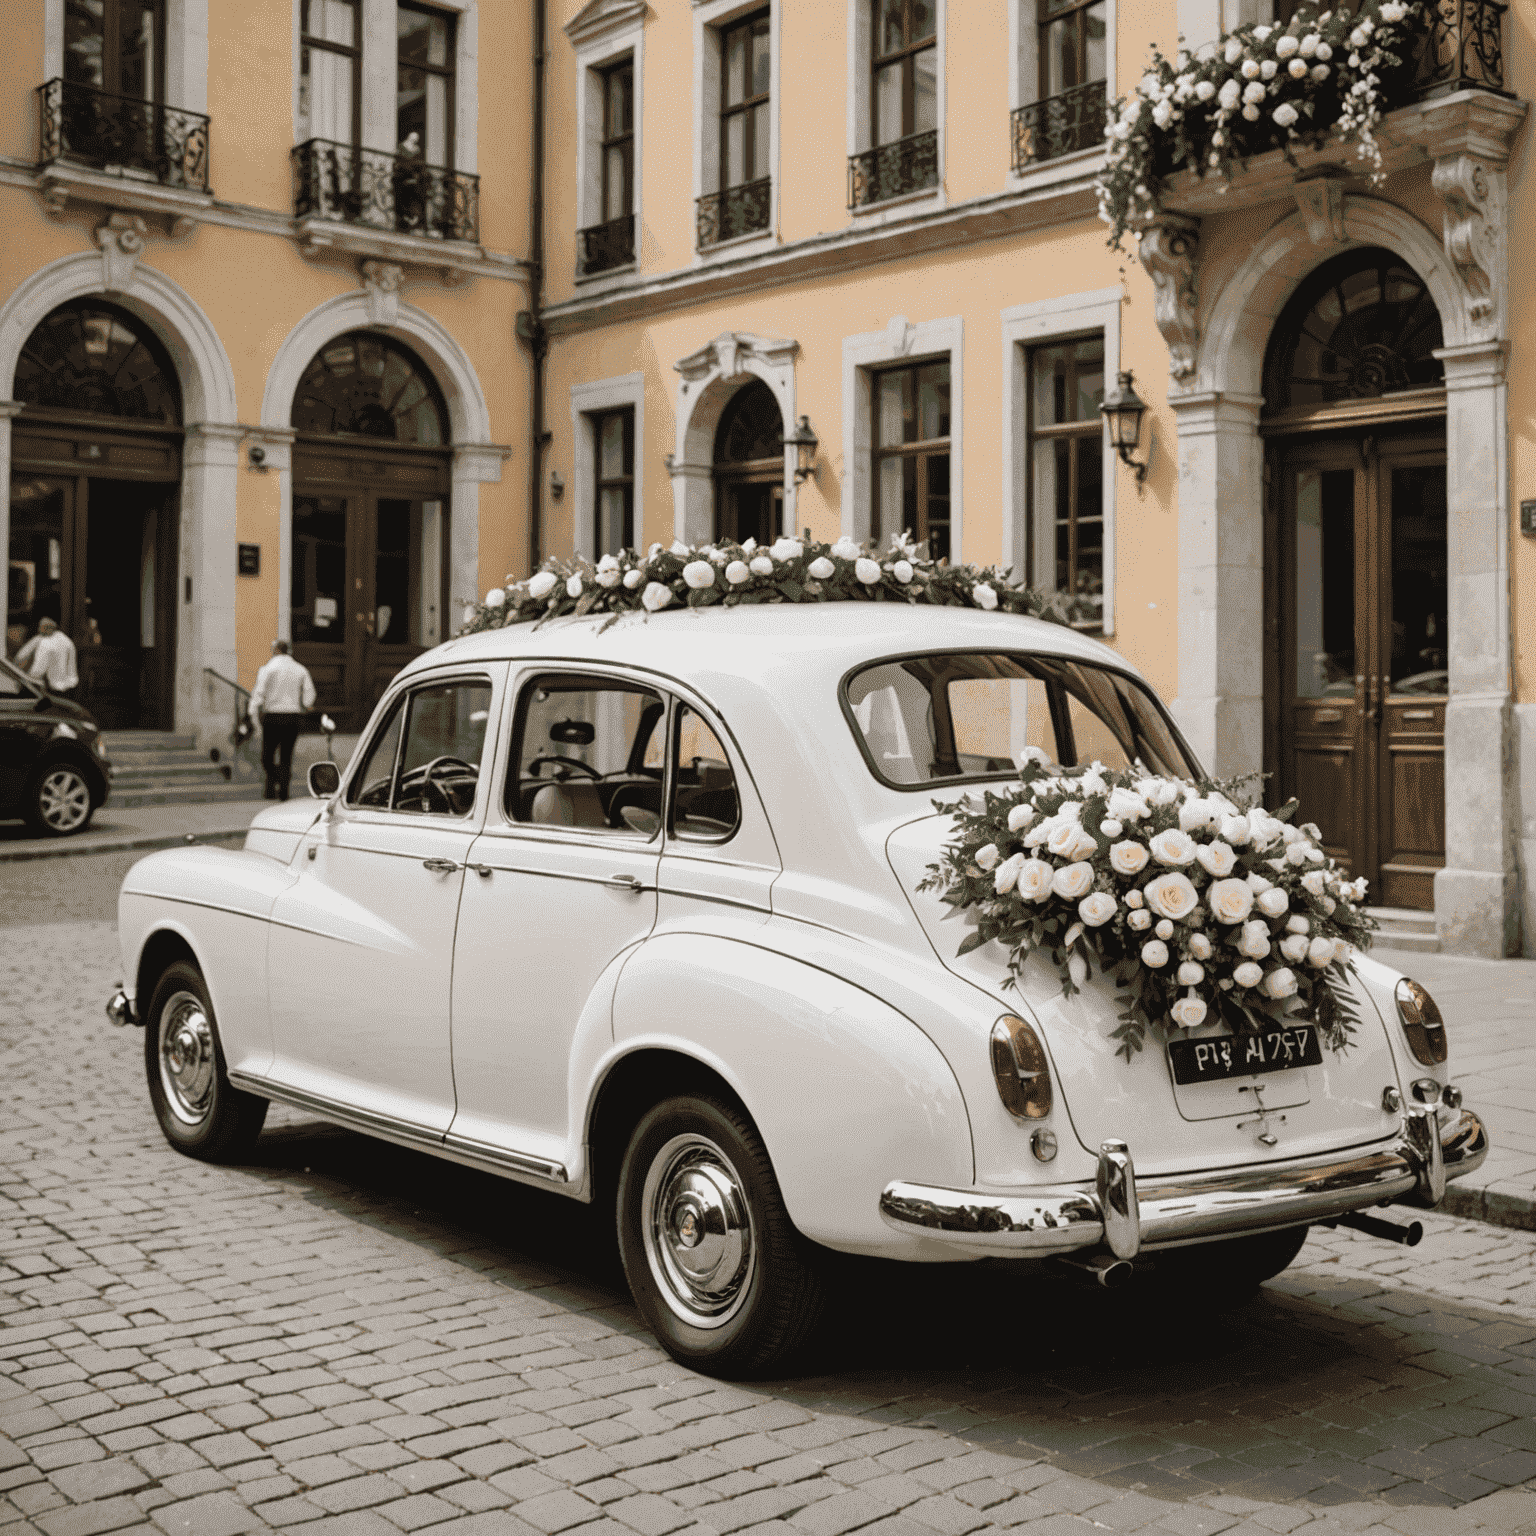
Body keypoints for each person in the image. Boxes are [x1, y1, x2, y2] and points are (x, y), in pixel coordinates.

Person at [249, 639, 316, 801]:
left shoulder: (268, 669)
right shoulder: (300, 669)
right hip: (292, 717)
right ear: (289, 650)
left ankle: (274, 785)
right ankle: (283, 790)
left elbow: (259, 693)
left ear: (275, 650)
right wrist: (306, 704)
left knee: (267, 757)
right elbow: (309, 692)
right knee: (286, 756)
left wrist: (252, 712)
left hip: (272, 716)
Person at [14, 617, 79, 697]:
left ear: (47, 628)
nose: (38, 629)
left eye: (40, 627)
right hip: (70, 688)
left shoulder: (45, 642)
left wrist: (27, 682)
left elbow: (38, 670)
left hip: (51, 689)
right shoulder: (67, 641)